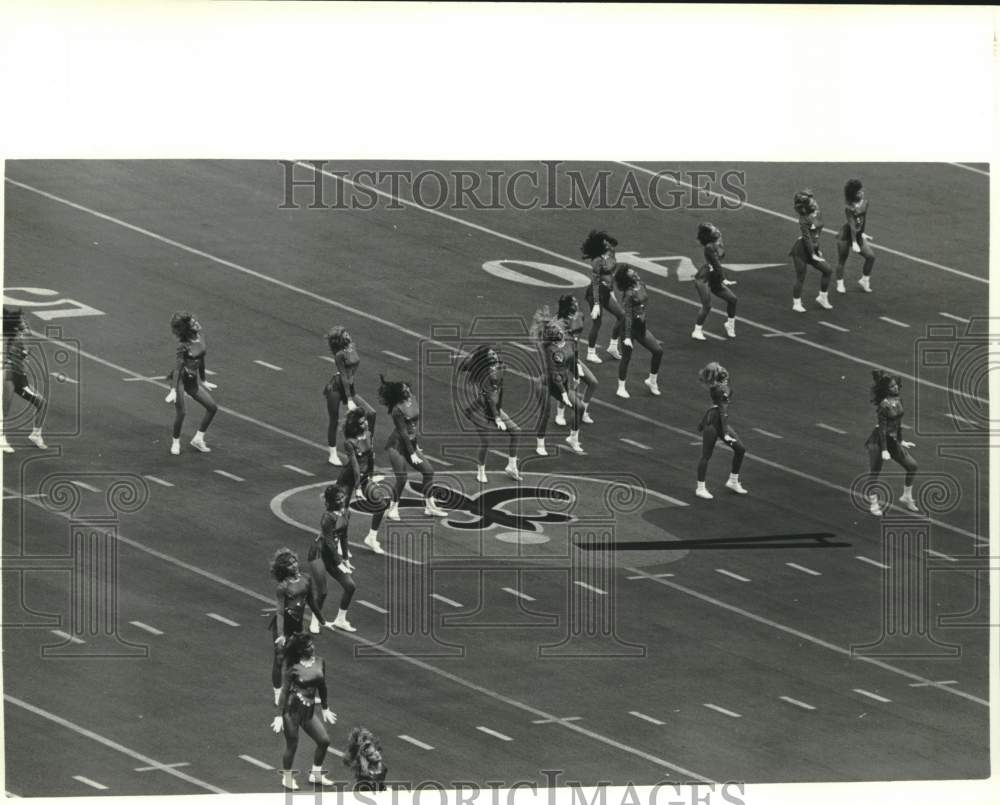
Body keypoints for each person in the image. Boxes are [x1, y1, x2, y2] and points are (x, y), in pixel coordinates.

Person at [271, 633, 338, 790]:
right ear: (300, 651)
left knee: (324, 741)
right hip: (292, 710)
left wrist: (325, 707)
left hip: (308, 710)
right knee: (292, 744)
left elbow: (322, 686)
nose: (312, 647)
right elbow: (285, 691)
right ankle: (287, 778)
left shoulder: (320, 662)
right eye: (308, 646)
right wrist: (279, 715)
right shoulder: (293, 667)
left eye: (312, 644)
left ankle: (316, 773)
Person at [379, 375, 449, 518]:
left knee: (428, 471)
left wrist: (416, 445)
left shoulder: (413, 399)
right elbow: (403, 432)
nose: (408, 389)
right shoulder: (397, 410)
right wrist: (412, 452)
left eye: (407, 388)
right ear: (399, 394)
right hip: (397, 445)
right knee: (402, 478)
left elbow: (412, 428)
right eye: (405, 390)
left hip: (410, 442)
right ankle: (393, 509)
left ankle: (429, 506)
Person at [268, 548, 325, 706]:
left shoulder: (306, 579)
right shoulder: (283, 587)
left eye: (294, 562)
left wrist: (322, 620)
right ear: (283, 569)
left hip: (297, 626)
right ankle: (278, 694)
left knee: (301, 660)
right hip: (283, 628)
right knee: (279, 660)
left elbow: (312, 601)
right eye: (289, 564)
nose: (294, 565)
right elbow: (280, 612)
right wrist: (281, 635)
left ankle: (303, 693)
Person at [458, 345, 522, 484]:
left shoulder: (498, 368)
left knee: (516, 431)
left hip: (491, 407)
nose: (494, 356)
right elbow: (486, 398)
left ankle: (512, 466)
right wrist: (497, 417)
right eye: (490, 355)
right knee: (486, 442)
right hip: (479, 410)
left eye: (494, 354)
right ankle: (480, 471)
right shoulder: (485, 374)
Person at [865, 370, 919, 515]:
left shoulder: (899, 400)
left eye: (896, 385)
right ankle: (873, 501)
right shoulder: (884, 405)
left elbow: (898, 423)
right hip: (878, 441)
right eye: (892, 387)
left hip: (892, 440)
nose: (896, 388)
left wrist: (901, 441)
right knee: (875, 471)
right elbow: (882, 429)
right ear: (886, 390)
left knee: (912, 466)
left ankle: (906, 496)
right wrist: (884, 449)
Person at [532, 311, 585, 456]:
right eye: (556, 331)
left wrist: (576, 375)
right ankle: (540, 443)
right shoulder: (551, 350)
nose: (559, 331)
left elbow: (574, 356)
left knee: (579, 407)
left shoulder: (569, 341)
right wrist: (564, 394)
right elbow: (555, 376)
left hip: (562, 381)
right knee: (546, 412)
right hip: (546, 384)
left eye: (558, 329)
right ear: (553, 338)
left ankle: (573, 438)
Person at [323, 326, 377, 466]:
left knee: (371, 413)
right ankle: (333, 455)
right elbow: (344, 377)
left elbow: (351, 370)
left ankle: (368, 445)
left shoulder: (352, 346)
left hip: (349, 386)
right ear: (339, 340)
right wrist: (350, 399)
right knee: (334, 420)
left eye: (346, 332)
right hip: (336, 388)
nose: (348, 334)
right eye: (344, 334)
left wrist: (351, 384)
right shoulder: (339, 355)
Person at [307, 485, 358, 633]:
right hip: (318, 554)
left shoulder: (347, 513)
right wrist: (339, 562)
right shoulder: (328, 517)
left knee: (350, 586)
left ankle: (341, 619)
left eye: (342, 497)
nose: (342, 500)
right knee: (322, 592)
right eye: (338, 499)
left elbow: (344, 536)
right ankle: (315, 621)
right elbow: (328, 541)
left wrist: (346, 558)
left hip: (332, 554)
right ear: (330, 502)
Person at [338, 408, 388, 554]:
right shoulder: (350, 442)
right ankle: (340, 542)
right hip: (348, 479)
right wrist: (358, 487)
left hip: (364, 477)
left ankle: (371, 537)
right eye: (361, 422)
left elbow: (370, 456)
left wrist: (371, 476)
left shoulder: (367, 434)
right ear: (355, 426)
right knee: (343, 512)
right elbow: (354, 466)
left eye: (365, 421)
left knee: (381, 503)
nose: (365, 423)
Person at [695, 362, 748, 499]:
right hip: (714, 423)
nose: (723, 370)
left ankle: (733, 480)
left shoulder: (719, 387)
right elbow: (723, 412)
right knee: (706, 455)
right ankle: (700, 488)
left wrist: (702, 421)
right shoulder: (720, 390)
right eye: (719, 370)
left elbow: (715, 408)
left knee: (740, 449)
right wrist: (725, 432)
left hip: (715, 417)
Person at [168, 312, 218, 455]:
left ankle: (198, 438)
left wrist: (203, 379)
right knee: (182, 412)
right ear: (187, 329)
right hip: (180, 381)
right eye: (193, 323)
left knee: (212, 407)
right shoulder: (183, 346)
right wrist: (173, 389)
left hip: (192, 381)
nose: (197, 323)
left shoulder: (200, 336)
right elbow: (177, 369)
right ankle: (175, 441)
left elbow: (201, 359)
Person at [613, 265, 663, 399]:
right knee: (626, 357)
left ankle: (652, 381)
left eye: (634, 272)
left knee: (658, 351)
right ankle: (621, 387)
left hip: (640, 326)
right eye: (632, 275)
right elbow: (628, 315)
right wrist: (627, 336)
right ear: (627, 280)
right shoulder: (629, 294)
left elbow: (643, 303)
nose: (636, 274)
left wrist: (641, 313)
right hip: (629, 328)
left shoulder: (641, 284)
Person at [1, 306, 46, 452]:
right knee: (4, 410)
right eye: (22, 320)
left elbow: (25, 351)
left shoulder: (22, 335)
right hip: (9, 374)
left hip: (20, 376)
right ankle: (2, 439)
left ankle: (36, 434)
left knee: (41, 402)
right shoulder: (9, 336)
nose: (25, 322)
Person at [581, 229, 625, 364]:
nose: (607, 244)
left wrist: (607, 240)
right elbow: (596, 281)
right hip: (596, 292)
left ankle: (612, 346)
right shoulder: (597, 260)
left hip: (606, 291)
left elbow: (614, 243)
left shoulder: (610, 254)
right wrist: (595, 303)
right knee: (597, 323)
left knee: (622, 316)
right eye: (604, 243)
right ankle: (591, 352)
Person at [691, 223, 738, 341]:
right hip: (704, 279)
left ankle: (730, 325)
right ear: (710, 235)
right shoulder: (709, 247)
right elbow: (717, 265)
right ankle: (697, 331)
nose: (717, 229)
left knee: (732, 299)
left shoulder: (718, 243)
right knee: (707, 305)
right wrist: (724, 279)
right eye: (714, 230)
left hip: (713, 278)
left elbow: (718, 261)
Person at [555, 294, 597, 425]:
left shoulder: (580, 316)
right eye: (573, 302)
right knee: (567, 386)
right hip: (561, 359)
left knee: (593, 382)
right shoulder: (557, 323)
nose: (577, 304)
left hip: (573, 356)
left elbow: (575, 341)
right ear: (568, 306)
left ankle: (583, 411)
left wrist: (576, 361)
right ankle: (559, 414)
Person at [789, 190, 834, 312]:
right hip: (801, 251)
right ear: (805, 206)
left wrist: (817, 250)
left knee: (828, 270)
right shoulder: (803, 219)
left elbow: (817, 235)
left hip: (812, 249)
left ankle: (822, 297)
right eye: (811, 201)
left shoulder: (817, 213)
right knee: (801, 276)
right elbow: (807, 238)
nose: (814, 202)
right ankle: (796, 303)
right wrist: (813, 254)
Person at [835, 178, 876, 294]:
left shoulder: (865, 203)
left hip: (857, 235)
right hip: (845, 236)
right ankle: (840, 283)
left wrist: (862, 233)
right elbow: (852, 225)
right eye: (858, 192)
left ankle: (864, 280)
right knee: (842, 259)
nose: (862, 193)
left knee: (871, 257)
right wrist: (853, 242)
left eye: (861, 190)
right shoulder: (849, 208)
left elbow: (863, 220)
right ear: (853, 194)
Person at [343, 727, 388, 791]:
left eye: (375, 751)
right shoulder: (365, 775)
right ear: (366, 759)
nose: (376, 754)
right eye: (371, 754)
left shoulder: (383, 767)